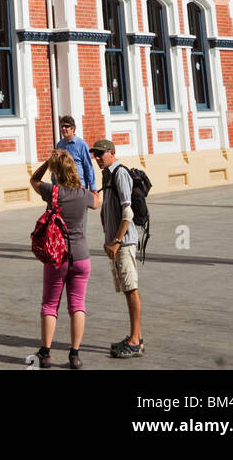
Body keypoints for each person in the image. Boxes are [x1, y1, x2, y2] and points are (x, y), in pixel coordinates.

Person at [30, 150, 99, 369]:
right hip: (81, 256)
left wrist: (45, 163)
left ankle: (46, 352)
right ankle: (74, 354)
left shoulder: (53, 192)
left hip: (57, 257)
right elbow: (96, 202)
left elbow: (33, 180)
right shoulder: (83, 194)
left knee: (50, 305)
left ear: (56, 170)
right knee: (77, 305)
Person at [90, 138, 144, 359]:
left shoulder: (120, 173)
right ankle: (136, 337)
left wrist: (117, 241)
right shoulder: (107, 174)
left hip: (124, 243)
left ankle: (135, 341)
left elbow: (127, 212)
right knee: (127, 289)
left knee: (131, 289)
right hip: (115, 242)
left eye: (101, 154)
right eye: (96, 155)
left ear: (112, 153)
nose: (97, 158)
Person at [55, 116, 96, 190]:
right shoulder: (59, 145)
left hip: (79, 186)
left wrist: (93, 188)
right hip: (63, 186)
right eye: (62, 126)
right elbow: (56, 166)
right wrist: (54, 184)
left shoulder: (81, 144)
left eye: (66, 126)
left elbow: (88, 166)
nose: (64, 129)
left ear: (73, 128)